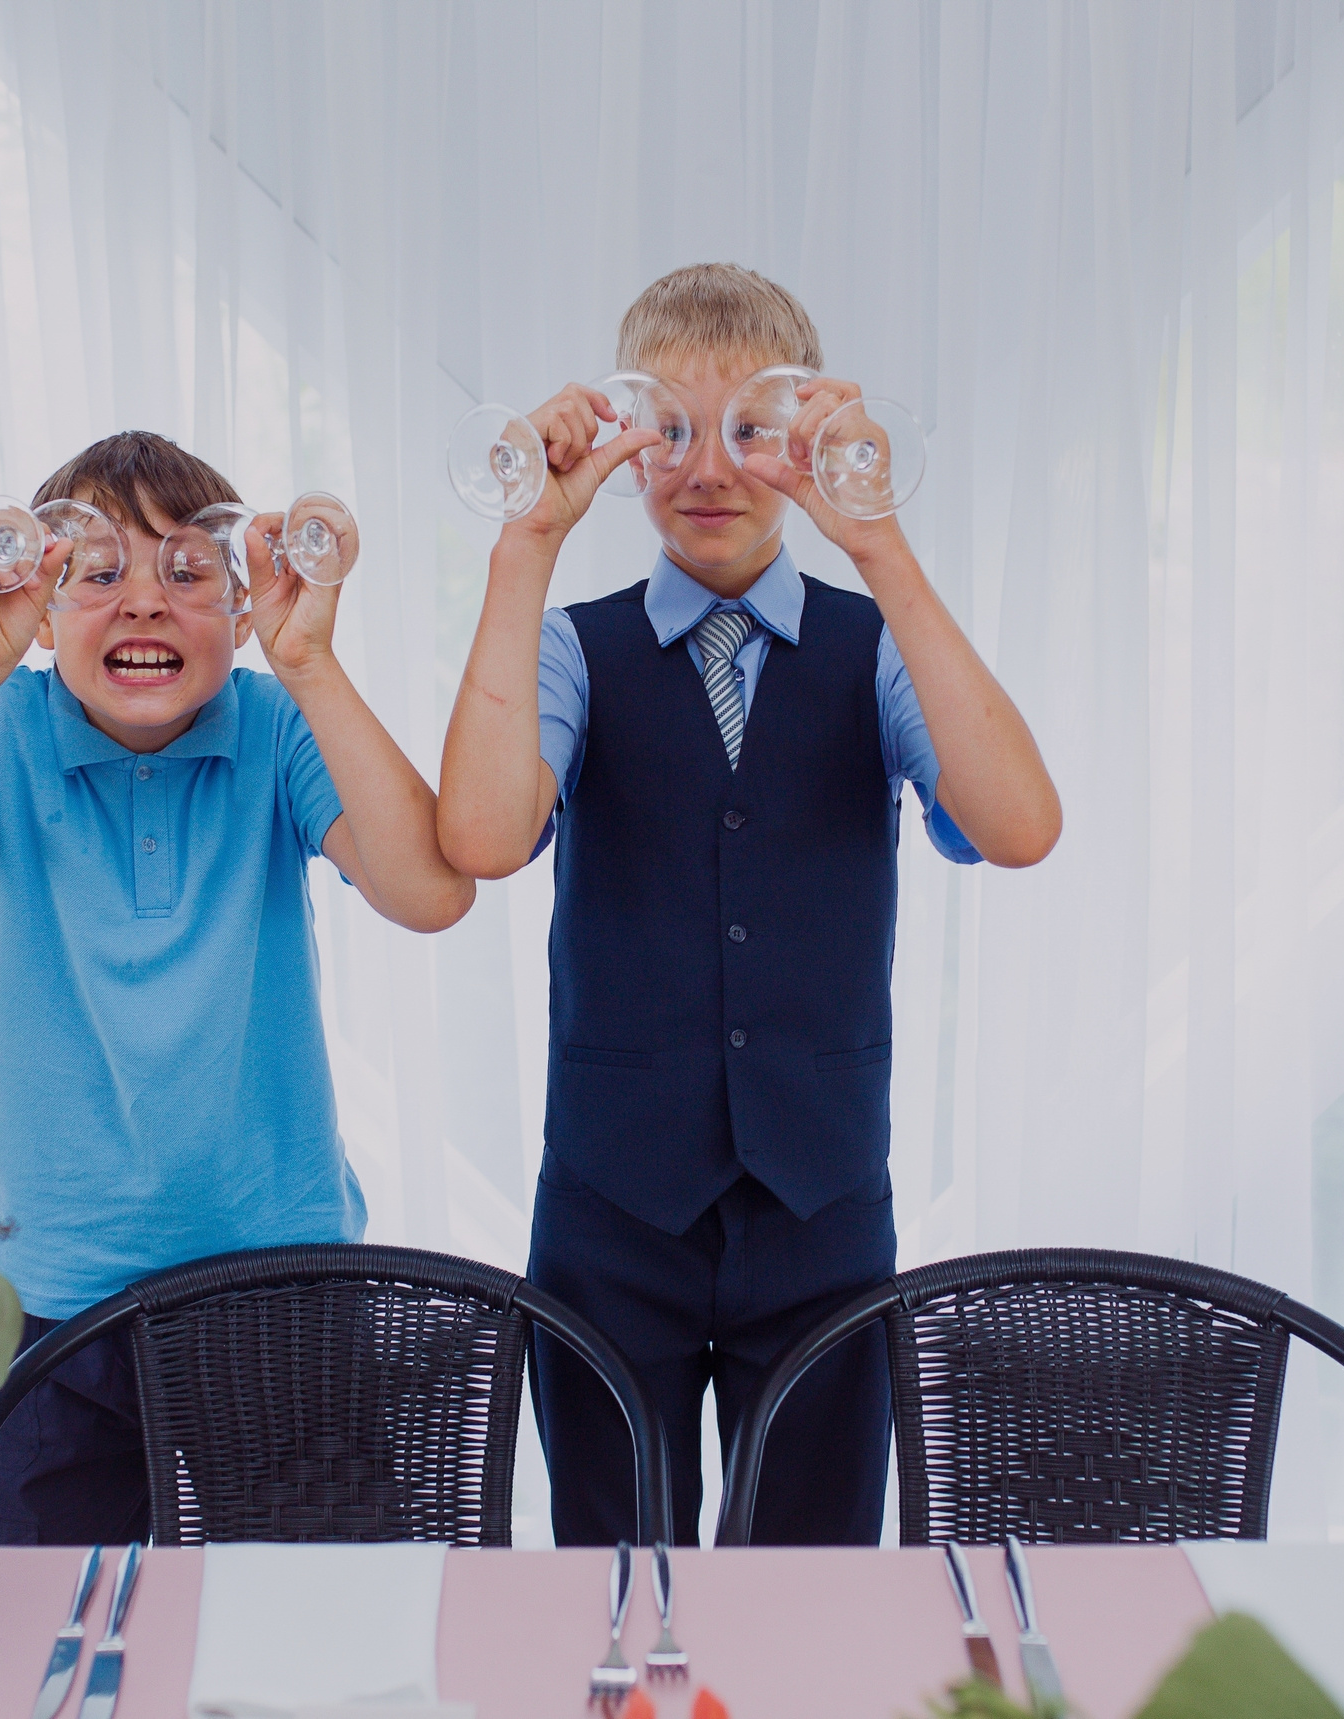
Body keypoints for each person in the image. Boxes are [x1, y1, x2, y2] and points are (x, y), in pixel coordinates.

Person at [438, 265, 1061, 1545]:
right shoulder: (571, 647)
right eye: (667, 429)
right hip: (612, 1214)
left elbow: (1020, 825)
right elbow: (487, 838)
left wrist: (876, 540)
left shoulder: (876, 642)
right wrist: (525, 544)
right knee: (618, 1578)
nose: (709, 467)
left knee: (814, 1592)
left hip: (821, 1212)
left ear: (808, 443)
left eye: (751, 430)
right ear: (619, 441)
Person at [0, 431, 472, 1542]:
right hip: (46, 1298)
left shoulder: (276, 721)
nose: (145, 603)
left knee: (313, 1629)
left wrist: (311, 665)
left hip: (279, 1286)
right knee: (11, 1633)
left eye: (189, 574)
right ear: (39, 611)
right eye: (98, 575)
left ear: (241, 613)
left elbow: (429, 893)